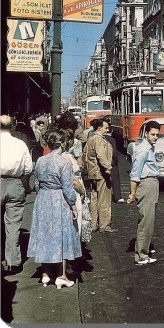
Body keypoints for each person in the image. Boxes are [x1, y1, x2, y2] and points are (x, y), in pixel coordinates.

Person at [27, 129, 82, 289]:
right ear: (62, 143)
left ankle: (45, 274)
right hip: (59, 200)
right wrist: (73, 205)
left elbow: (36, 184)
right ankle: (61, 275)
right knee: (62, 235)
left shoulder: (40, 161)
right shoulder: (63, 162)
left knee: (44, 234)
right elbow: (67, 188)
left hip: (43, 198)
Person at [1, 115, 33, 273]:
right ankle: (12, 261)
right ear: (13, 126)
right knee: (13, 225)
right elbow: (28, 168)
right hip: (15, 184)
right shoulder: (20, 144)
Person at [129, 120, 160, 265]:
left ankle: (144, 252)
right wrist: (132, 193)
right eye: (152, 134)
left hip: (152, 183)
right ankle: (141, 255)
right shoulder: (143, 149)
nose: (155, 137)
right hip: (146, 183)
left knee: (149, 220)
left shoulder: (150, 147)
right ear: (146, 133)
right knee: (146, 221)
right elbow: (135, 173)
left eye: (157, 135)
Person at [83, 119, 118, 233]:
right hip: (101, 173)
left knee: (94, 199)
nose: (107, 130)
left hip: (92, 173)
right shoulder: (98, 140)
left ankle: (94, 223)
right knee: (104, 200)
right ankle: (104, 225)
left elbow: (85, 155)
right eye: (106, 128)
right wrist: (108, 168)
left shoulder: (90, 139)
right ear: (99, 128)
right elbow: (101, 156)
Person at [104, 122, 125, 203]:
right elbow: (114, 153)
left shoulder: (94, 138)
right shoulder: (111, 140)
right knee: (115, 178)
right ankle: (118, 196)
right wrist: (115, 161)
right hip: (111, 162)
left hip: (100, 162)